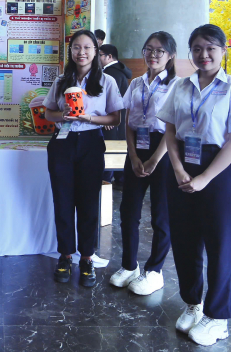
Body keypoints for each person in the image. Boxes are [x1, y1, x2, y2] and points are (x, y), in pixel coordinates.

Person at [156, 24, 231, 346]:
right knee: (184, 240)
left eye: (211, 48)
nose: (204, 54)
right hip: (182, 165)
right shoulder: (181, 86)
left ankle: (218, 317)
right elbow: (170, 131)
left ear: (223, 51)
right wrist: (177, 168)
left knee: (220, 244)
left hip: (218, 169)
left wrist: (204, 178)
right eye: (197, 48)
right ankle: (193, 304)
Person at [43, 30, 123, 287]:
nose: (82, 52)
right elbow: (48, 113)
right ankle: (65, 256)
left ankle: (87, 258)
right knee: (63, 201)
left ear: (96, 51)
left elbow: (115, 118)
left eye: (87, 47)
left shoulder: (107, 81)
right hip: (62, 142)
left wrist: (88, 117)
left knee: (89, 202)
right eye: (76, 47)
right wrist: (63, 115)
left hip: (90, 141)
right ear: (71, 51)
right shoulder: (61, 80)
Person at [109, 31, 178, 296]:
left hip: (164, 151)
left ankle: (154, 271)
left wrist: (154, 159)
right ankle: (129, 266)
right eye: (148, 49)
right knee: (129, 211)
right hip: (137, 148)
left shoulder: (177, 85)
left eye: (159, 50)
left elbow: (172, 127)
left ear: (170, 55)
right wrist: (134, 155)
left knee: (161, 214)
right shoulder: (136, 83)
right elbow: (129, 121)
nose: (152, 55)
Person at [98, 43, 132, 185]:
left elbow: (112, 98)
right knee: (114, 148)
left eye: (99, 55)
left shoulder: (112, 73)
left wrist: (108, 117)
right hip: (116, 118)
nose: (97, 59)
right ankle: (118, 179)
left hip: (112, 120)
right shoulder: (117, 71)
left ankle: (109, 181)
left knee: (110, 149)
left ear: (109, 56)